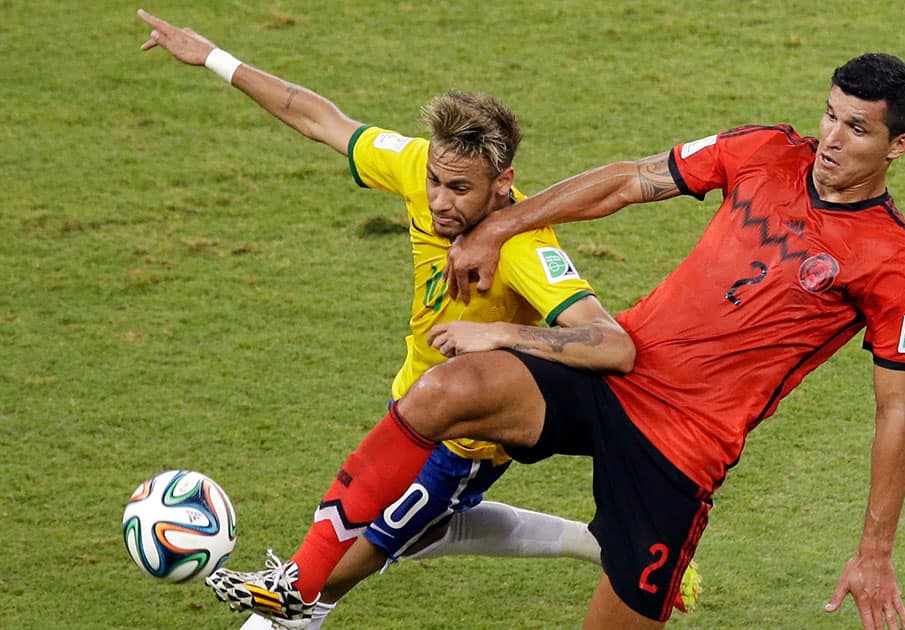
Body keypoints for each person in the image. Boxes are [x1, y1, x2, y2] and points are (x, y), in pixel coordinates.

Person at [135, 9, 701, 629]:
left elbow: (612, 345)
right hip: (411, 402)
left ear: (503, 185)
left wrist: (499, 334)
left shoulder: (526, 248)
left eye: (459, 189)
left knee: (330, 574)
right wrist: (214, 56)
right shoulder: (417, 167)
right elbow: (319, 117)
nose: (438, 200)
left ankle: (289, 604)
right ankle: (595, 542)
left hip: (466, 438)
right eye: (434, 180)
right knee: (422, 533)